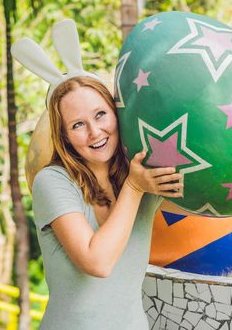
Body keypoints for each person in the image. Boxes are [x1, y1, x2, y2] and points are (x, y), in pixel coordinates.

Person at [31, 75, 183, 329]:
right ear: (64, 137)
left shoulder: (142, 175)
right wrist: (133, 188)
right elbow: (97, 262)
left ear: (117, 114)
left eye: (101, 114)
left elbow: (207, 194)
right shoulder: (52, 182)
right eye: (78, 124)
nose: (95, 132)